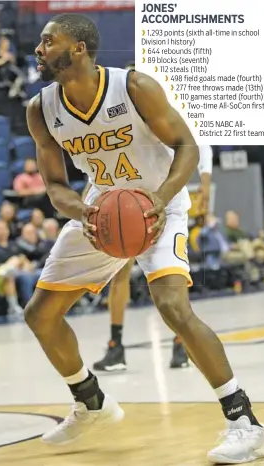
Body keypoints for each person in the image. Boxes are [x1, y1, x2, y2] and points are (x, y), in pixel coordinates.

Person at [25, 13, 264, 463]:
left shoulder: (134, 86)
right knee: (40, 315)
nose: (39, 49)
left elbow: (187, 145)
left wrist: (158, 200)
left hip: (159, 204)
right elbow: (56, 187)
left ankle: (245, 423)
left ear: (78, 48)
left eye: (48, 40)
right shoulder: (41, 109)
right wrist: (86, 211)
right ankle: (92, 401)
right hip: (101, 209)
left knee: (174, 307)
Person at [92, 144, 213, 371]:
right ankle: (115, 345)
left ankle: (181, 341)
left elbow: (198, 142)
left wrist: (205, 182)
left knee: (172, 276)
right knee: (119, 274)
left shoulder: (165, 113)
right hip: (123, 197)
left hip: (161, 198)